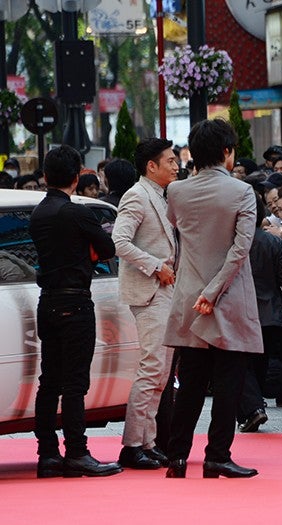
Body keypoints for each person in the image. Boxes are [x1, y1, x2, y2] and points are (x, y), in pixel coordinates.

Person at [163, 119, 262, 479]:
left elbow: (180, 233)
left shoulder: (176, 192)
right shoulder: (241, 191)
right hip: (228, 297)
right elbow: (239, 251)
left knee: (189, 383)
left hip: (189, 297)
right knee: (228, 385)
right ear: (226, 151)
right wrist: (214, 292)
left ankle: (176, 457)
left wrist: (202, 291)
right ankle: (217, 455)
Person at [29, 145, 121, 478]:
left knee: (49, 381)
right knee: (74, 384)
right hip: (76, 301)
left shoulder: (38, 214)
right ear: (76, 176)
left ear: (44, 176)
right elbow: (109, 248)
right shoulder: (78, 213)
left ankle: (48, 455)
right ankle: (77, 453)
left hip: (47, 301)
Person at [112, 138, 179, 469]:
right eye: (170, 160)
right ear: (151, 166)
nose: (176, 165)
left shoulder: (161, 195)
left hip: (165, 290)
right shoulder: (136, 195)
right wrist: (156, 266)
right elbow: (119, 241)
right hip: (150, 290)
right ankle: (132, 445)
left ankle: (148, 441)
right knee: (152, 369)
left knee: (162, 373)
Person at [237, 200, 282, 432]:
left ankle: (254, 409)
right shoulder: (274, 242)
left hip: (240, 312)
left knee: (240, 363)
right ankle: (252, 410)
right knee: (259, 362)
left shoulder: (232, 242)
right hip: (270, 313)